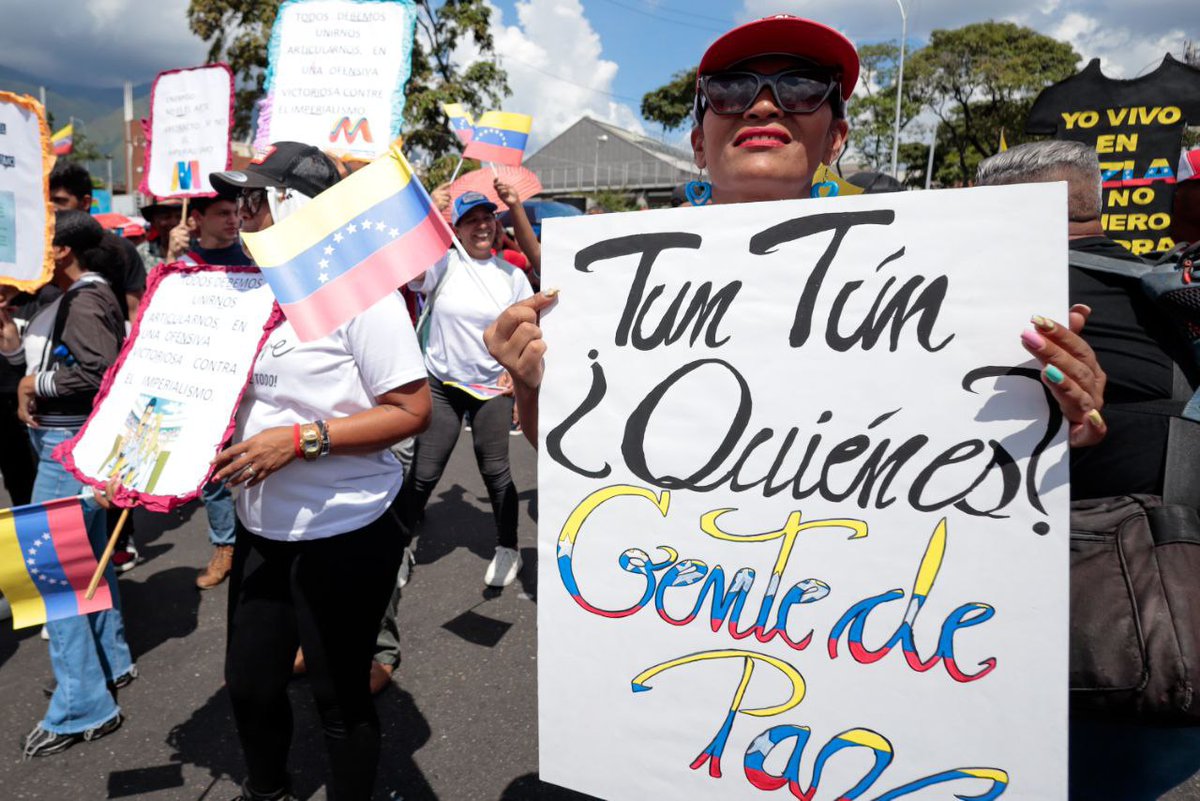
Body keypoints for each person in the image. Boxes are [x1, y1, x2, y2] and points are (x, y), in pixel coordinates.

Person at [486, 14, 1108, 454]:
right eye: (729, 90)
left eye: (802, 88)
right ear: (700, 144)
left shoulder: (935, 277)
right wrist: (534, 383)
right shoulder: (620, 281)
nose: (763, 106)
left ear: (835, 138)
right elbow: (574, 452)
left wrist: (1050, 418)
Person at [202, 142, 431, 801]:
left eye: (252, 200)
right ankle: (268, 789)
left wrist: (299, 441)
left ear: (296, 208)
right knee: (249, 683)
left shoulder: (361, 296)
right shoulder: (245, 296)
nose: (239, 215)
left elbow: (412, 409)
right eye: (236, 202)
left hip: (345, 531)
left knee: (339, 696)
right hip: (260, 528)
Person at [977, 140, 1200, 801]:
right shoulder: (1166, 292)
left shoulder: (997, 302)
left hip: (1059, 649)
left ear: (1006, 209)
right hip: (1166, 644)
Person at [0, 210, 134, 757]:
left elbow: (99, 370)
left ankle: (84, 705)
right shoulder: (86, 294)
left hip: (67, 449)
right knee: (86, 559)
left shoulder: (83, 298)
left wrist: (36, 382)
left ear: (61, 251)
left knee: (53, 575)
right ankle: (111, 663)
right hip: (75, 445)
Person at [395, 181, 538, 588]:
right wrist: (426, 217)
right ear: (455, 230)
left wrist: (515, 373)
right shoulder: (443, 263)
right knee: (423, 473)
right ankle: (401, 547)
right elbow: (412, 269)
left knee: (496, 470)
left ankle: (508, 548)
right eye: (470, 220)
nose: (480, 226)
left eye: (486, 218)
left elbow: (528, 326)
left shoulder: (512, 275)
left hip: (490, 387)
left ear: (496, 225)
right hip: (441, 383)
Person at [179, 192, 251, 589]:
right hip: (203, 384)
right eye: (222, 214)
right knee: (215, 469)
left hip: (250, 384)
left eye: (236, 213)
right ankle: (226, 545)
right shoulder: (181, 266)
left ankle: (262, 544)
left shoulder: (256, 260)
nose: (232, 220)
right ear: (197, 219)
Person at [49, 162, 146, 321]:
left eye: (60, 201)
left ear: (85, 203)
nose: (52, 208)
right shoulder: (37, 249)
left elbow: (136, 312)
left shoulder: (121, 250)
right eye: (48, 201)